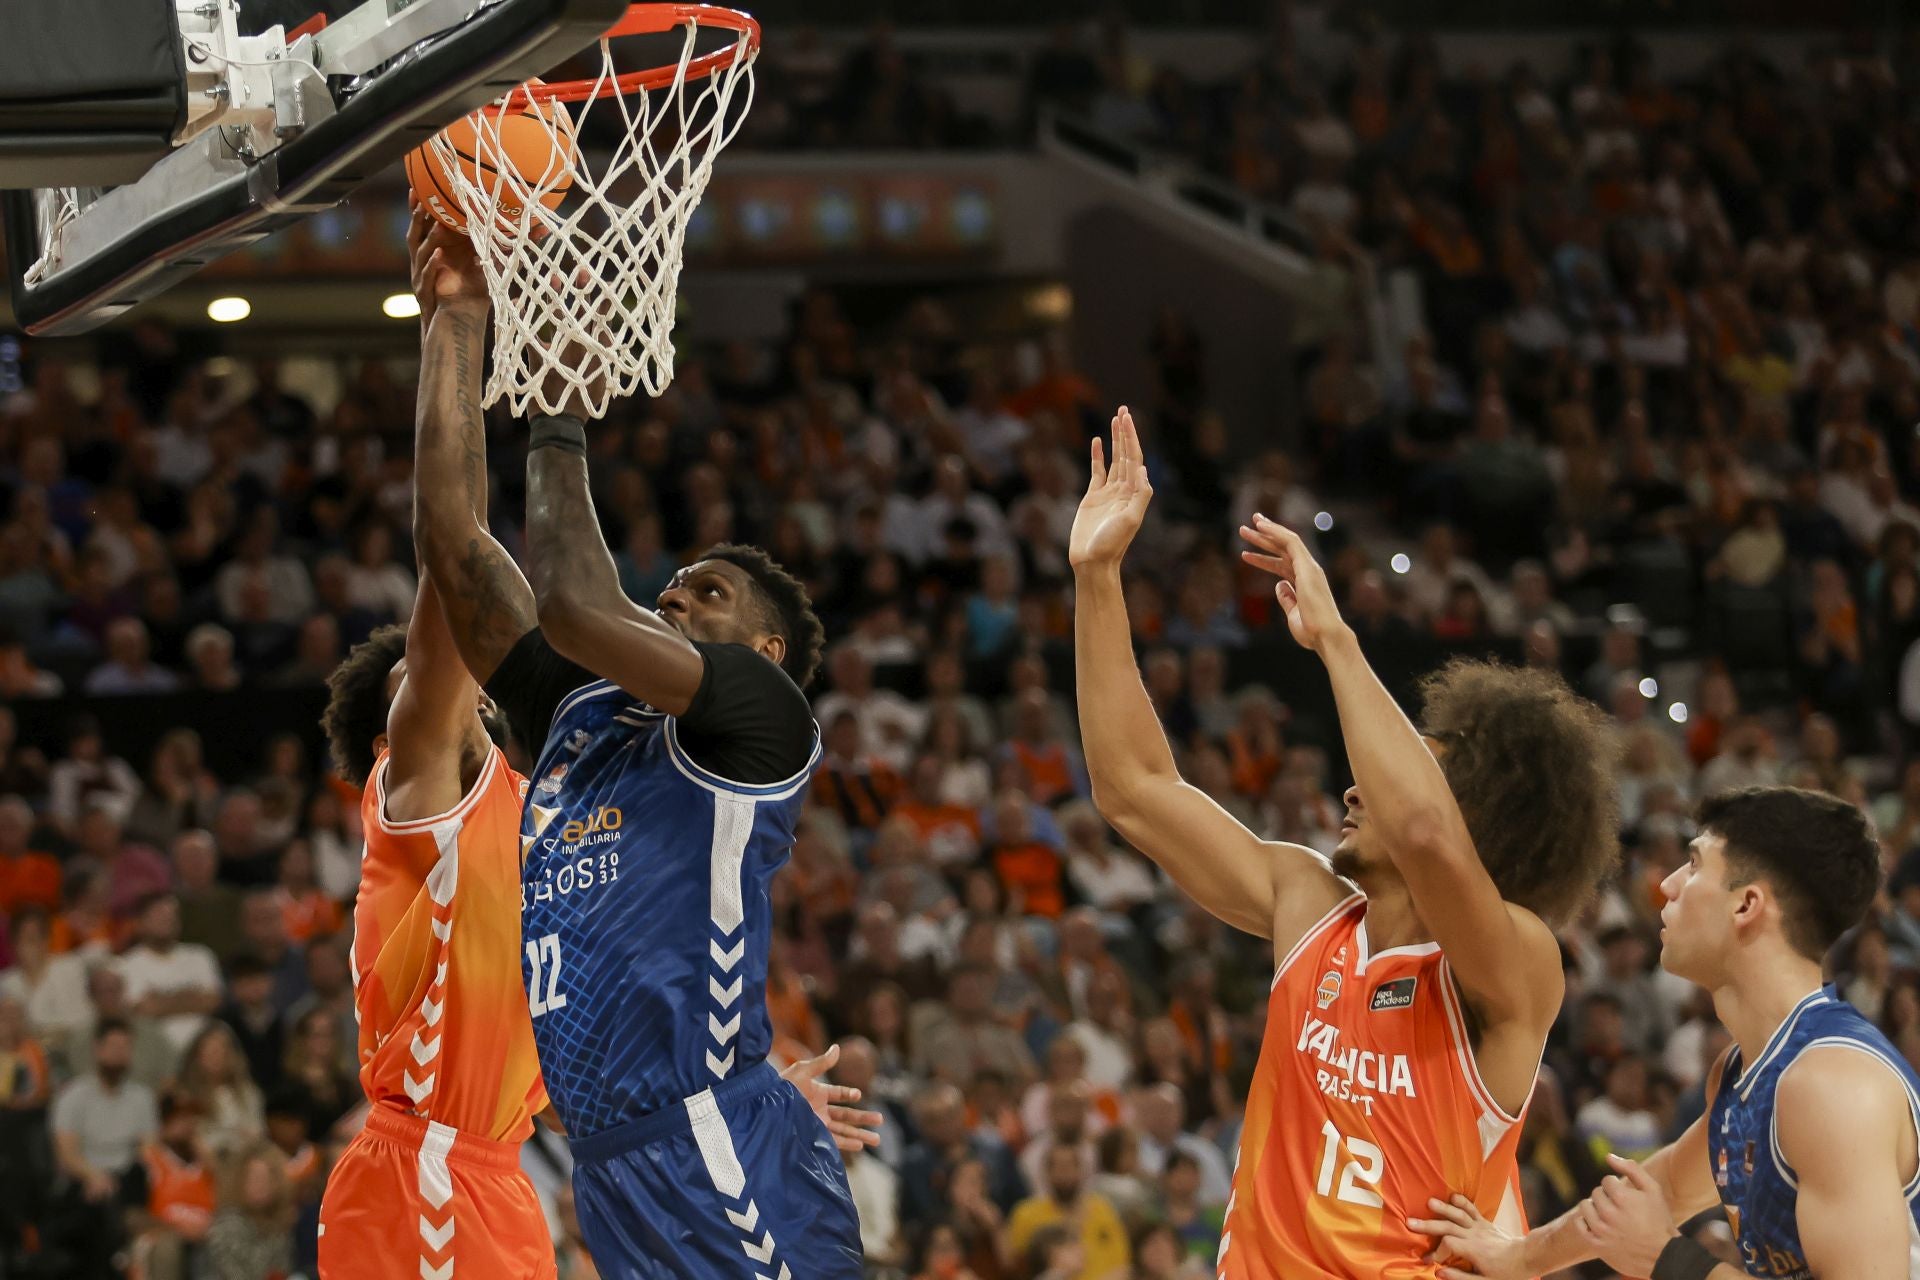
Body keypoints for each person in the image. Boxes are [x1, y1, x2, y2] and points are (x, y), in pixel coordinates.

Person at [409, 213, 875, 1278]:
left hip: (712, 1137)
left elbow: (574, 599)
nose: (675, 593)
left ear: (762, 646)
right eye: (676, 581)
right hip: (612, 1166)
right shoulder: (577, 714)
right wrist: (455, 317)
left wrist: (558, 403)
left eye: (708, 593)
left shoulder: (758, 714)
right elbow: (451, 541)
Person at [1069, 407, 1618, 1276]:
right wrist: (1097, 577)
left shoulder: (1517, 965)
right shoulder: (1308, 900)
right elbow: (1134, 790)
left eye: (1397, 773)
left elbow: (1429, 833)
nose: (1357, 784)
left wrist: (1336, 639)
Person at [313, 205, 555, 1280]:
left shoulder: (534, 821)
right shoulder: (415, 790)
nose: (439, 676)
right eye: (416, 688)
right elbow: (452, 569)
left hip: (494, 1177)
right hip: (424, 1172)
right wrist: (455, 321)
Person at [1417, 787, 1919, 1278]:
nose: (1670, 883)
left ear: (1746, 906)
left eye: (1696, 864)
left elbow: (1657, 1242)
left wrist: (1666, 1259)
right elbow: (1666, 1192)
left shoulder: (1831, 1086)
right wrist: (1521, 1259)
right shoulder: (1746, 1070)